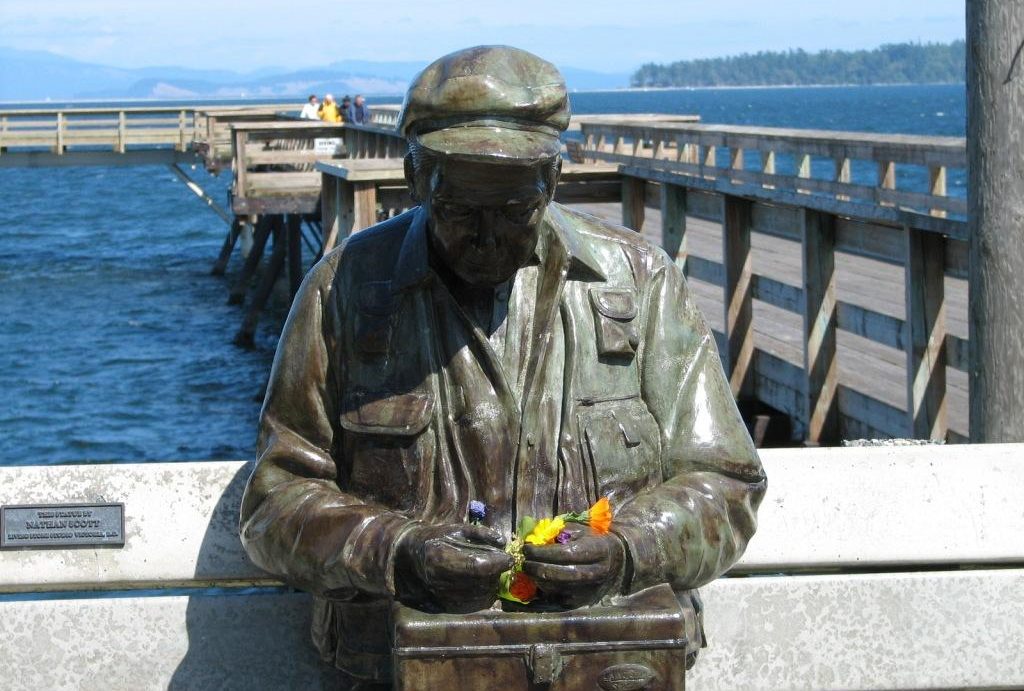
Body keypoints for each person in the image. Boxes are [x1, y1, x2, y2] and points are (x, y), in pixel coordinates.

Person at [240, 45, 766, 686]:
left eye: (515, 211)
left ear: (552, 182)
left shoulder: (641, 284)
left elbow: (725, 483)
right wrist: (400, 553)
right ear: (414, 179)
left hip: (611, 662)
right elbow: (275, 504)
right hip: (400, 670)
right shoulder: (343, 290)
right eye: (459, 211)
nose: (488, 238)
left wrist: (629, 550)